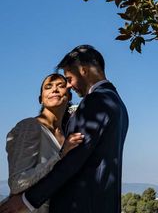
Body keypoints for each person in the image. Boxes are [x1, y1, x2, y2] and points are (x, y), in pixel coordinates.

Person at [0, 45, 129, 213]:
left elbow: (73, 160)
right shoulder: (116, 103)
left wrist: (28, 201)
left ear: (83, 70)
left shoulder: (96, 101)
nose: (68, 86)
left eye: (68, 78)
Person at [3, 74, 84, 213]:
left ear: (69, 96)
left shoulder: (66, 136)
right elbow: (17, 183)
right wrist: (60, 156)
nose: (54, 90)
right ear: (41, 99)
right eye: (48, 87)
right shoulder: (30, 126)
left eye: (61, 86)